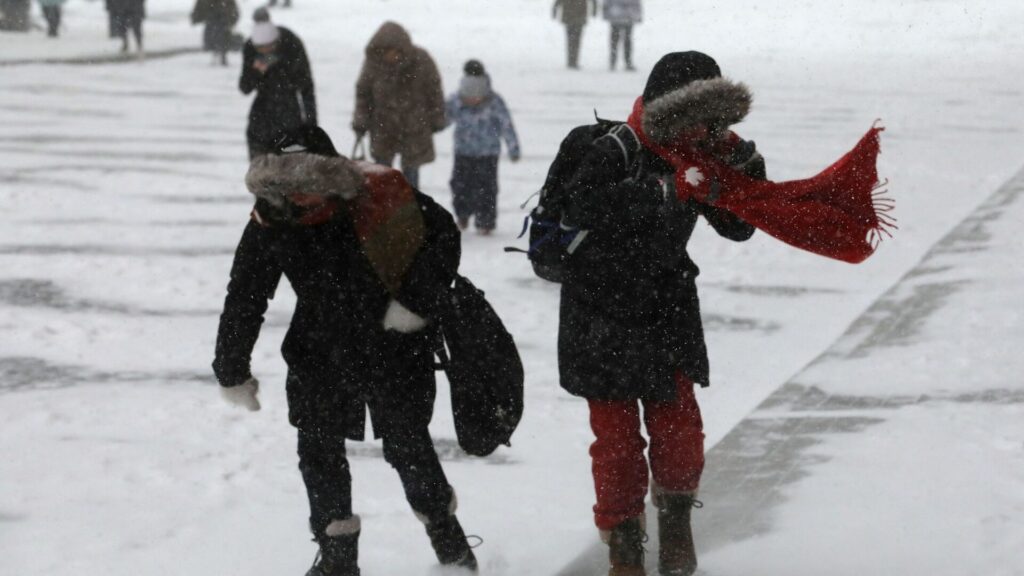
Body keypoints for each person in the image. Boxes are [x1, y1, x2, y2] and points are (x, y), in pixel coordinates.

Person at [213, 126, 479, 575]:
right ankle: (338, 560)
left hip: (391, 345)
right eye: (290, 187)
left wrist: (412, 303)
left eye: (311, 186)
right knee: (319, 452)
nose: (302, 198)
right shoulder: (271, 217)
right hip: (321, 349)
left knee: (407, 447)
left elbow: (442, 238)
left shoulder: (379, 196)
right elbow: (246, 293)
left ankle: (450, 546)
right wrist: (231, 365)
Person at [558, 51, 765, 576]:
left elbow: (738, 228)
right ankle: (624, 546)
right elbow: (582, 208)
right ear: (666, 110)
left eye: (711, 119)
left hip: (665, 308)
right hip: (599, 312)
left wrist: (745, 172)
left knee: (678, 430)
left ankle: (675, 524)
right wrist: (667, 190)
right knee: (617, 440)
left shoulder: (704, 151)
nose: (702, 129)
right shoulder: (616, 149)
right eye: (694, 117)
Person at [352, 21, 445, 190]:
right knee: (382, 177)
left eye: (392, 51)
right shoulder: (373, 64)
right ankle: (385, 212)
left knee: (411, 179)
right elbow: (363, 94)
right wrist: (360, 122)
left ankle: (411, 210)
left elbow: (434, 90)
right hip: (383, 128)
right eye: (385, 51)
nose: (389, 56)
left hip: (414, 128)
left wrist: (437, 117)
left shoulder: (421, 60)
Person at [442, 59, 521, 235]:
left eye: (476, 97)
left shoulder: (494, 102)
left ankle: (485, 221)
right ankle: (463, 215)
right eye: (468, 97)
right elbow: (443, 120)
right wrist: (429, 127)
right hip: (463, 152)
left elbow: (506, 125)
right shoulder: (455, 100)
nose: (473, 100)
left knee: (486, 188)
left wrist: (513, 148)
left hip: (487, 154)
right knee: (460, 185)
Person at [238, 8, 316, 159]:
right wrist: (256, 72)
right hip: (261, 116)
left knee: (290, 168)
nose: (265, 52)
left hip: (289, 113)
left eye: (269, 47)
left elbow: (306, 87)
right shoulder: (250, 48)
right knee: (261, 171)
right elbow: (244, 87)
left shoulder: (291, 43)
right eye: (261, 49)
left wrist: (311, 125)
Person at [191, 0, 239, 66]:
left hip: (220, 20)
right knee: (218, 38)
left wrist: (232, 18)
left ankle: (221, 54)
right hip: (215, 20)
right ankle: (218, 53)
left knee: (221, 38)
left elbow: (232, 7)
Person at [551, 0, 597, 69]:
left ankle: (572, 61)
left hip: (571, 15)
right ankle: (573, 61)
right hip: (577, 15)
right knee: (575, 40)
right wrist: (594, 11)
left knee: (572, 40)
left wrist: (554, 10)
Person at [603, 0, 642, 70]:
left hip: (619, 16)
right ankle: (625, 62)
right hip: (625, 16)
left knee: (616, 41)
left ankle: (614, 61)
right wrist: (638, 14)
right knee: (625, 41)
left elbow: (606, 3)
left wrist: (606, 13)